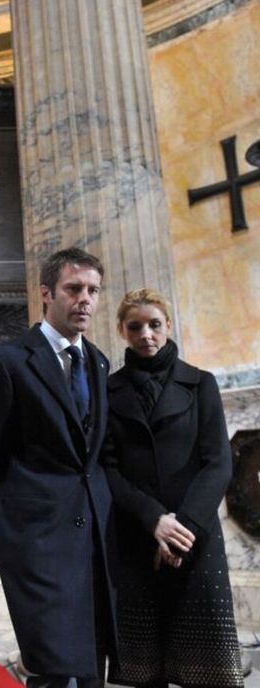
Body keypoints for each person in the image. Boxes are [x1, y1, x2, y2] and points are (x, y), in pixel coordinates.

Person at [0, 247, 115, 688]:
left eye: (93, 290)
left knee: (91, 664)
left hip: (93, 539)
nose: (85, 299)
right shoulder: (6, 363)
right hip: (35, 541)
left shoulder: (99, 362)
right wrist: (1, 542)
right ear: (46, 293)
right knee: (53, 663)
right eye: (74, 289)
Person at [103, 288, 243, 688]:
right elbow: (108, 469)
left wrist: (181, 531)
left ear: (168, 326)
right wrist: (153, 521)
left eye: (154, 325)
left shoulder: (201, 384)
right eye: (136, 327)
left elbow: (218, 463)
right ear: (122, 331)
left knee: (206, 667)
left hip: (195, 538)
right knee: (146, 668)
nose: (146, 334)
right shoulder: (108, 391)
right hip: (137, 537)